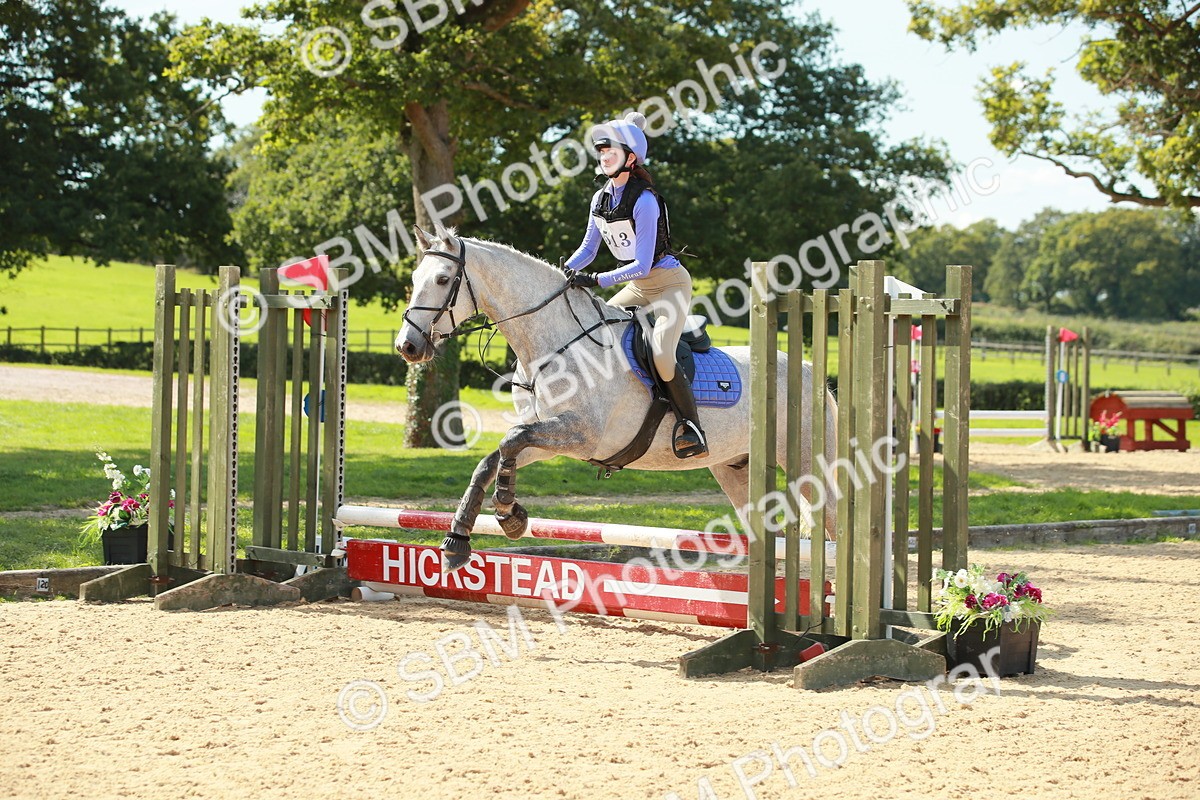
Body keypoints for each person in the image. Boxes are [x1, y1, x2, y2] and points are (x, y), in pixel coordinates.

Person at [562, 111, 707, 459]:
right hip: (638, 287)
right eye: (600, 149)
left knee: (661, 354)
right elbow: (587, 249)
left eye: (610, 149)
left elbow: (642, 264)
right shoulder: (600, 199)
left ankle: (692, 427)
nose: (603, 154)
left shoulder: (644, 200)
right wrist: (562, 272)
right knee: (600, 334)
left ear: (630, 157)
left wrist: (596, 279)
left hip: (669, 284)